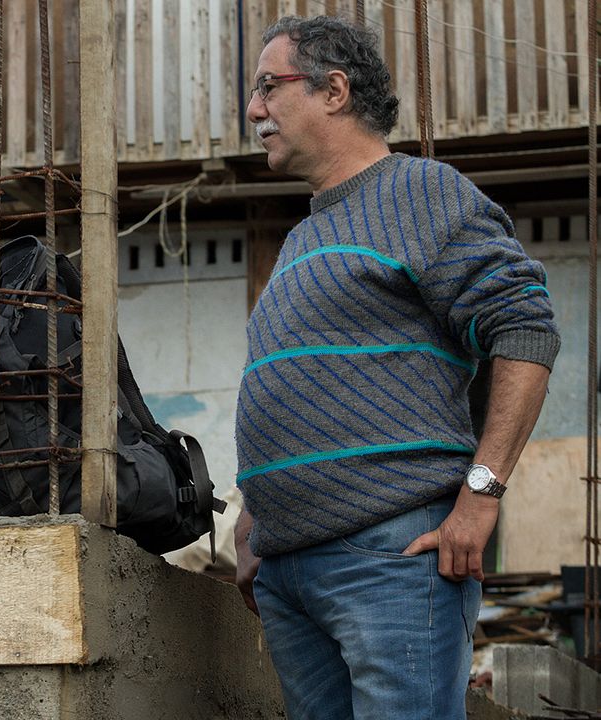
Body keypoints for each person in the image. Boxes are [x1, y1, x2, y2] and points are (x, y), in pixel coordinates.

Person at [232, 16, 559, 719]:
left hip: (391, 555)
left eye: (267, 86)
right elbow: (297, 384)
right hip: (288, 571)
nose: (253, 109)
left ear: (334, 91)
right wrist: (256, 515)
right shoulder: (303, 237)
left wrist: (481, 494)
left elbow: (525, 329)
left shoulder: (421, 193)